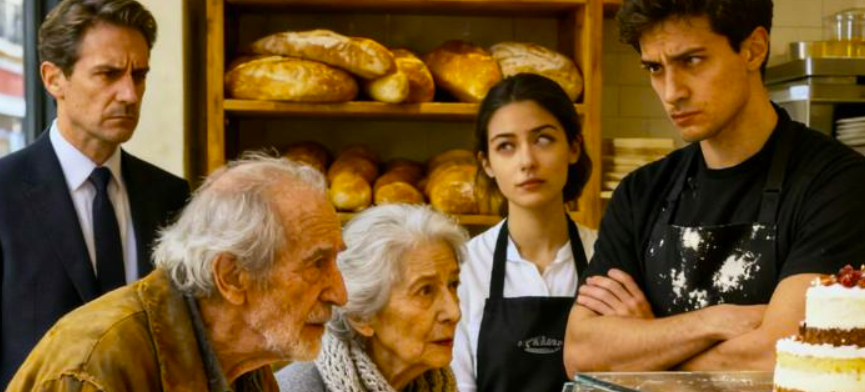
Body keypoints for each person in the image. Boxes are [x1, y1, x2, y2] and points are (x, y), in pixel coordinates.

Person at [564, 0, 865, 374]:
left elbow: (781, 356)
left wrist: (647, 342)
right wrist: (713, 322)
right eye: (655, 68)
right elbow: (581, 354)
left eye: (691, 60)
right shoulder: (639, 193)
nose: (671, 92)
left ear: (754, 49)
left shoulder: (836, 184)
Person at [6, 154, 347, 391]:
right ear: (231, 277)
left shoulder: (247, 361)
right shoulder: (96, 367)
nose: (340, 293)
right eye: (316, 265)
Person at [0, 0, 190, 385]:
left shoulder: (170, 195)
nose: (130, 95)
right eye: (108, 74)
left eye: (139, 75)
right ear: (54, 79)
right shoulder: (3, 193)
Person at [451, 73, 597, 392]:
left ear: (574, 147)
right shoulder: (463, 269)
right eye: (506, 146)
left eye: (543, 139)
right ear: (486, 163)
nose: (527, 161)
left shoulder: (608, 257)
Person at [276, 204, 466, 392]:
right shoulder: (294, 388)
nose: (454, 312)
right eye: (425, 290)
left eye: (453, 284)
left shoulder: (439, 385)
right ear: (362, 316)